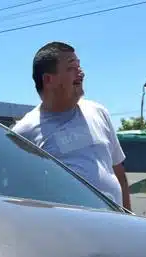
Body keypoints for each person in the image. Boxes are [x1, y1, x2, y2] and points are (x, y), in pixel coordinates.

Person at [12, 42, 130, 209]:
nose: (81, 73)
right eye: (71, 68)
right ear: (48, 79)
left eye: (79, 66)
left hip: (114, 226)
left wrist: (129, 219)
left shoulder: (99, 112)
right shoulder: (24, 132)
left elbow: (118, 172)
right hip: (67, 230)